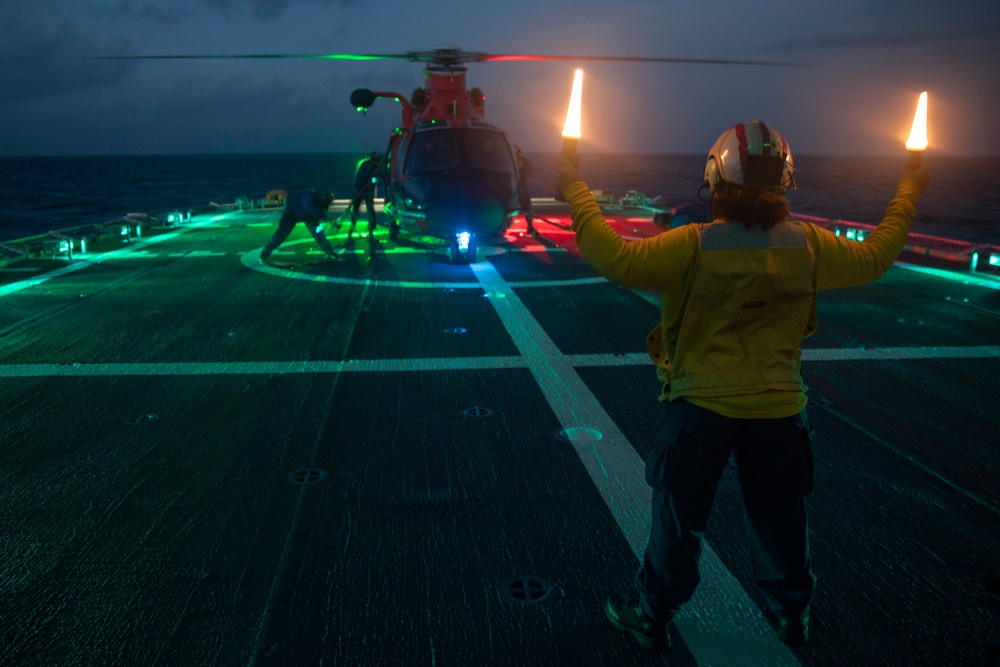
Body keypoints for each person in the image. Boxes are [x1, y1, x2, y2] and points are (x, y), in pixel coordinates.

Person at [554, 120, 930, 651]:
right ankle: (791, 614)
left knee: (679, 521)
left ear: (716, 178)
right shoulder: (811, 245)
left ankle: (653, 614)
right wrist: (909, 189)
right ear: (783, 185)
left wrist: (574, 185)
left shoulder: (693, 244)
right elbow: (877, 255)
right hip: (780, 408)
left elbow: (613, 256)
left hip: (700, 407)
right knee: (780, 519)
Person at [260, 189, 337, 262]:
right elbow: (311, 210)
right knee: (280, 236)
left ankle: (329, 251)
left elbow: (320, 212)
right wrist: (325, 217)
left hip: (308, 217)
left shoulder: (321, 201)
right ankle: (265, 252)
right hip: (290, 215)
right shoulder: (308, 196)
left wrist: (327, 218)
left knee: (319, 233)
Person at [348, 152, 382, 241]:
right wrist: (373, 174)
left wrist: (378, 173)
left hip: (369, 193)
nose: (377, 162)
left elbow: (380, 177)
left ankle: (371, 231)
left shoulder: (377, 168)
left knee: (370, 212)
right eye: (376, 160)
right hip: (359, 191)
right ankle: (351, 229)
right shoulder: (365, 165)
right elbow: (363, 176)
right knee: (355, 210)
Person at [515, 146, 535, 235]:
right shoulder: (520, 161)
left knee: (527, 206)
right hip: (514, 187)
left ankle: (530, 225)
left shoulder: (521, 161)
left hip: (520, 188)